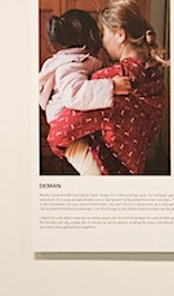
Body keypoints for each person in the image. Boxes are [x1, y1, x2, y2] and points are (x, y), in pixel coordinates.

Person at [46, 0, 168, 175]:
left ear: (120, 34)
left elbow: (65, 127)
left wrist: (54, 141)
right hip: (134, 165)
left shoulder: (114, 78)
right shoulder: (154, 73)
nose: (101, 43)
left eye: (103, 34)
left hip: (107, 167)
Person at [38, 9, 132, 175]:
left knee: (98, 163)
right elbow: (74, 95)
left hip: (77, 126)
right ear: (91, 37)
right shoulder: (70, 65)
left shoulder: (75, 60)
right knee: (93, 172)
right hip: (67, 130)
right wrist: (111, 86)